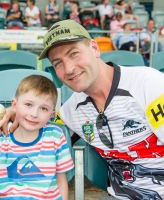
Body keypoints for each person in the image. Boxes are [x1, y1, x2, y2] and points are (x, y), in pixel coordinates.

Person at [37, 19, 164, 199]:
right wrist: (13, 114)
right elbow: (42, 127)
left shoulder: (148, 84)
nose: (69, 69)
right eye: (58, 63)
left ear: (95, 48)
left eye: (74, 54)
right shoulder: (70, 111)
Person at [0, 75, 74, 199]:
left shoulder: (55, 135)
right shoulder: (0, 139)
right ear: (14, 105)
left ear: (51, 115)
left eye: (43, 108)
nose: (34, 114)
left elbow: (61, 180)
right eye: (28, 105)